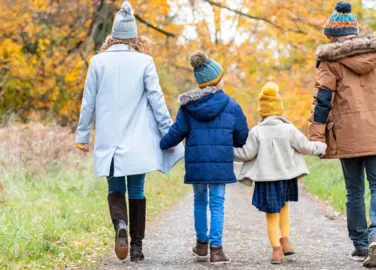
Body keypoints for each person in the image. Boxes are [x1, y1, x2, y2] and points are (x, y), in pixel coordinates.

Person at [75, 1, 184, 262]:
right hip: (137, 141)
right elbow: (157, 101)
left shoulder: (98, 62)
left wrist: (82, 136)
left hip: (109, 141)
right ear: (134, 36)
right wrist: (168, 133)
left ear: (112, 36)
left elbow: (88, 102)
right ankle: (136, 246)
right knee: (137, 190)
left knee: (115, 187)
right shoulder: (145, 61)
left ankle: (120, 225)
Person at [308, 1, 376, 268]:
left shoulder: (330, 61)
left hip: (347, 134)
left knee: (354, 190)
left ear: (334, 37)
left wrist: (316, 137)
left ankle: (361, 244)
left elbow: (322, 102)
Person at [159, 51, 249, 265]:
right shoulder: (232, 105)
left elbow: (175, 133)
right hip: (220, 164)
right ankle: (216, 250)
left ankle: (201, 246)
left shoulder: (188, 107)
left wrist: (163, 145)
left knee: (200, 201)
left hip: (197, 164)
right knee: (217, 204)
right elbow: (242, 136)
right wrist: (231, 141)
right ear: (218, 80)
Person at [234, 82, 326, 264]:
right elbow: (306, 147)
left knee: (271, 214)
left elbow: (246, 153)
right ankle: (286, 240)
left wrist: (226, 151)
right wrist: (321, 147)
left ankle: (276, 249)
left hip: (266, 180)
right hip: (286, 178)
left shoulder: (257, 131)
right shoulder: (289, 129)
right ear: (279, 108)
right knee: (284, 207)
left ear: (262, 111)